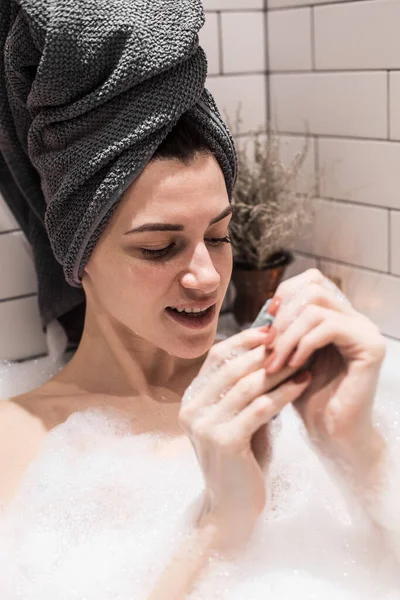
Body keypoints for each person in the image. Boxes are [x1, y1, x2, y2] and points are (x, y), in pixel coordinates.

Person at [0, 114, 393, 598]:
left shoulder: (285, 393)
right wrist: (217, 530)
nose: (207, 279)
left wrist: (359, 453)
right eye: (159, 247)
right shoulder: (16, 441)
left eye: (218, 236)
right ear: (79, 262)